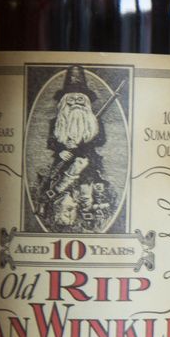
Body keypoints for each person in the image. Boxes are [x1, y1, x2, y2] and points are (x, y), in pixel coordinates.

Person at [31, 65, 117, 232]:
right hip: (63, 160)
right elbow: (51, 141)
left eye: (80, 100)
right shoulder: (56, 123)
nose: (76, 103)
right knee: (58, 192)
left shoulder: (94, 123)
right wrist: (61, 150)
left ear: (86, 102)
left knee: (86, 193)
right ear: (64, 102)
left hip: (87, 163)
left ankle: (88, 221)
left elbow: (101, 140)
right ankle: (56, 215)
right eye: (71, 100)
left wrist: (85, 141)